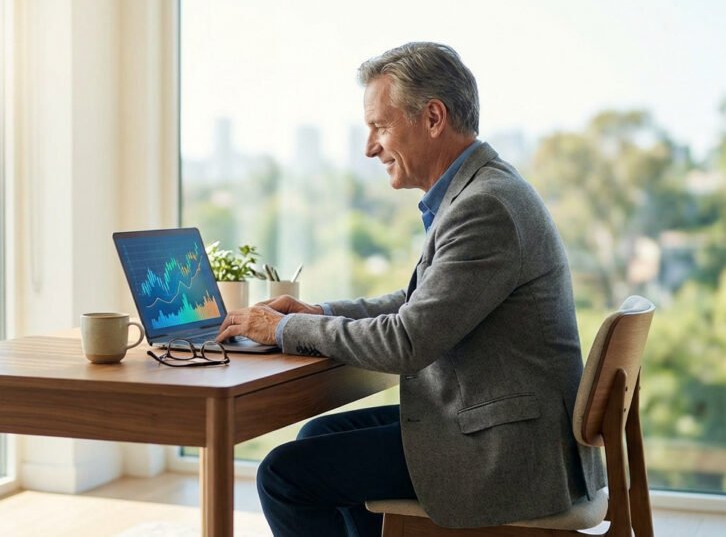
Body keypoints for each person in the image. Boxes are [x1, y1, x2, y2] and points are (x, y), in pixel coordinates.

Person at [215, 42, 605, 537]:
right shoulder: (480, 191)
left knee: (283, 476)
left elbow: (408, 340)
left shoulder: (485, 207)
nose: (369, 147)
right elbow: (416, 305)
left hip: (510, 453)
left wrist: (288, 327)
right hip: (509, 428)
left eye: (380, 126)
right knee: (318, 436)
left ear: (434, 118)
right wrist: (320, 310)